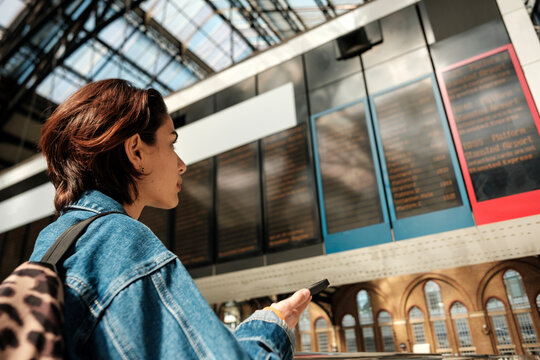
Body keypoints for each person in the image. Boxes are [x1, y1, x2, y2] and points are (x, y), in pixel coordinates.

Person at [31, 79, 311, 359]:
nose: (182, 164)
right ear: (136, 151)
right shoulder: (123, 243)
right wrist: (271, 326)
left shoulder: (51, 242)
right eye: (171, 143)